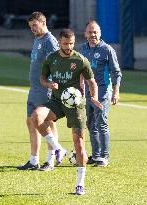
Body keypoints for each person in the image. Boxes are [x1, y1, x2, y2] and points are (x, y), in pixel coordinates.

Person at [31, 29, 102, 195]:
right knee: (36, 117)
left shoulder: (80, 60)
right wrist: (49, 85)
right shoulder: (51, 59)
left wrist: (94, 97)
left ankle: (80, 184)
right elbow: (42, 79)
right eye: (65, 44)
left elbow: (92, 82)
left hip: (75, 105)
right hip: (56, 101)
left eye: (71, 44)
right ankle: (58, 149)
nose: (69, 47)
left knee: (79, 144)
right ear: (59, 42)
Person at [17, 12, 61, 171]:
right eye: (30, 27)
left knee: (47, 122)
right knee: (30, 122)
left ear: (43, 23)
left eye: (34, 25)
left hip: (46, 90)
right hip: (34, 89)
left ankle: (50, 161)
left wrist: (53, 85)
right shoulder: (37, 39)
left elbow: (57, 64)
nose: (32, 29)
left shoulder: (50, 41)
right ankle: (33, 160)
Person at [80, 20, 122, 167]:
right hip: (88, 94)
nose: (93, 35)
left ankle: (104, 157)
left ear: (100, 33)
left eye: (95, 32)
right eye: (90, 32)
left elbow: (116, 73)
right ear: (85, 34)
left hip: (103, 93)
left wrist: (115, 92)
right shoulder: (82, 50)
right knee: (91, 124)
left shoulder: (107, 50)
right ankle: (96, 155)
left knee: (101, 123)